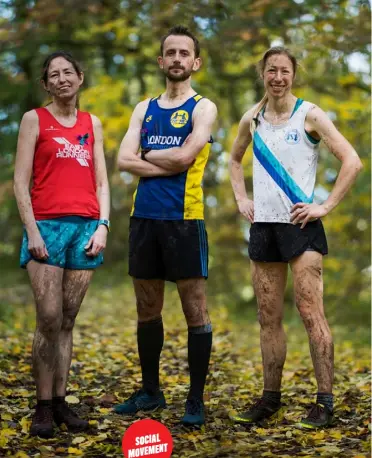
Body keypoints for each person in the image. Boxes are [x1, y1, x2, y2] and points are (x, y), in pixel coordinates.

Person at [228, 47, 363, 429]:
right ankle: (270, 399)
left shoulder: (310, 114)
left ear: (293, 74)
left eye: (284, 71)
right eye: (271, 70)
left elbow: (352, 161)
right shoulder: (251, 119)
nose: (277, 77)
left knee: (309, 313)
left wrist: (325, 206)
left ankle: (324, 402)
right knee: (267, 317)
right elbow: (234, 160)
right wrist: (241, 197)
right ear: (262, 73)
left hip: (302, 227)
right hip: (263, 228)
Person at [115, 25, 217, 427]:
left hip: (184, 219)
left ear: (195, 62)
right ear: (161, 62)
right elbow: (123, 160)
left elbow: (186, 159)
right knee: (146, 309)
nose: (176, 59)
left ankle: (195, 399)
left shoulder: (203, 107)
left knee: (195, 310)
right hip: (144, 220)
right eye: (170, 53)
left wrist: (151, 154)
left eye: (184, 53)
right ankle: (151, 392)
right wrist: (166, 156)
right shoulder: (144, 108)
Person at [13, 51, 110, 438]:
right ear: (46, 84)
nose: (62, 79)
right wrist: (32, 231)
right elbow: (21, 181)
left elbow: (102, 182)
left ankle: (59, 402)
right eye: (54, 75)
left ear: (80, 78)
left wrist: (102, 226)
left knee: (68, 321)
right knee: (49, 318)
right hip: (47, 227)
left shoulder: (92, 123)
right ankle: (41, 406)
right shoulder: (34, 120)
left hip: (86, 228)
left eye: (68, 72)